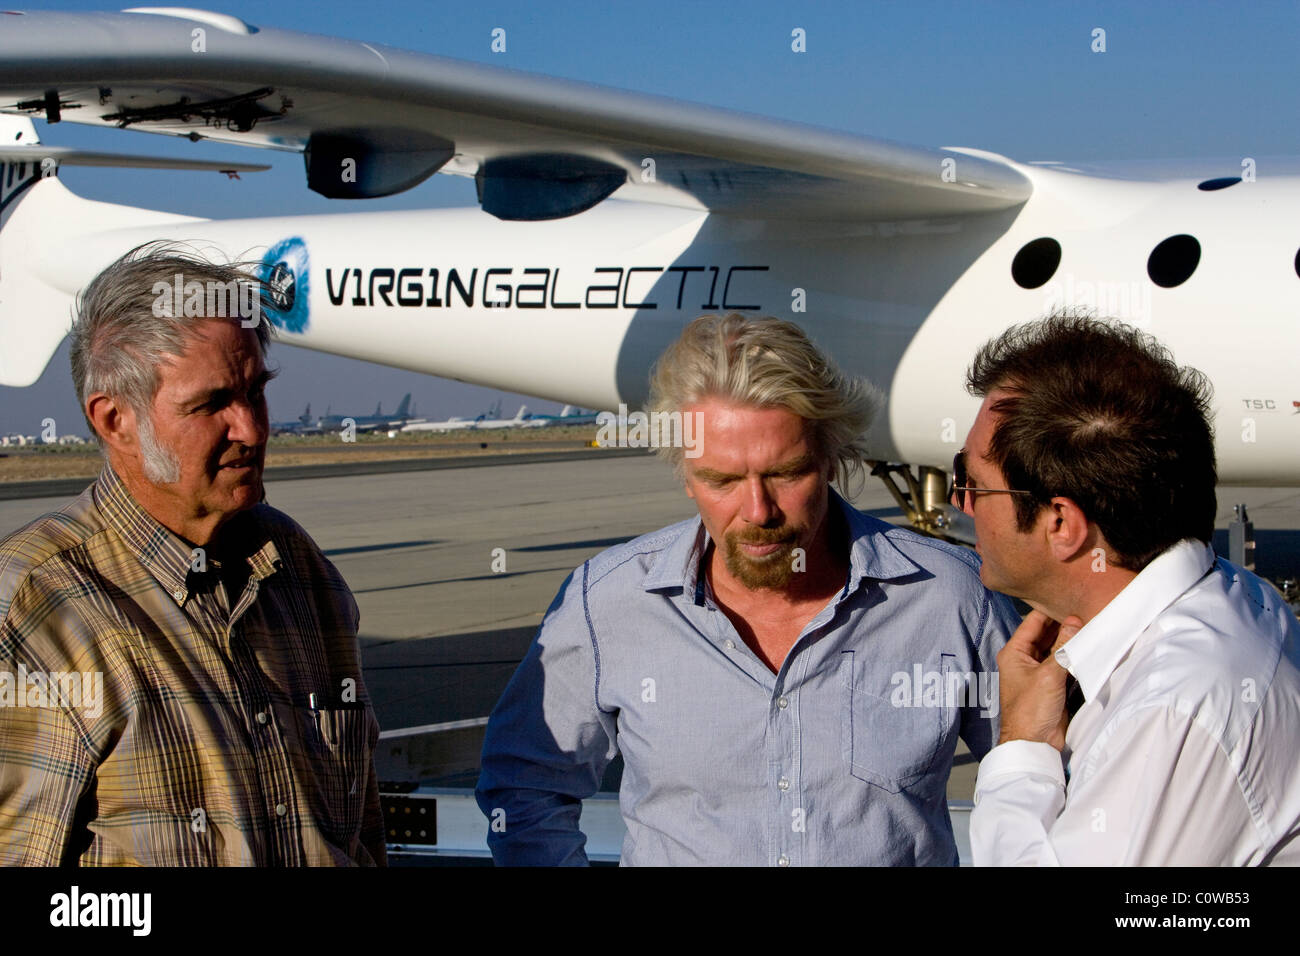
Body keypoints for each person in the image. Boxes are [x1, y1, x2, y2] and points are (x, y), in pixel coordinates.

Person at [476, 313, 1020, 866]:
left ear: (831, 459)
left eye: (786, 474)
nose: (758, 512)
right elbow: (524, 785)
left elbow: (1048, 775)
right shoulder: (606, 602)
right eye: (723, 481)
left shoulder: (949, 596)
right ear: (685, 473)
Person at [0, 243, 385, 865]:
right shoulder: (39, 606)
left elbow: (362, 826)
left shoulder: (297, 568)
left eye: (255, 392)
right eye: (210, 406)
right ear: (114, 419)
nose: (252, 430)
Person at [961, 312, 1300, 865]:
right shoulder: (1235, 594)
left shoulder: (1174, 707)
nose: (960, 503)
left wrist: (1022, 749)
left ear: (1061, 525)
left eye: (972, 483)